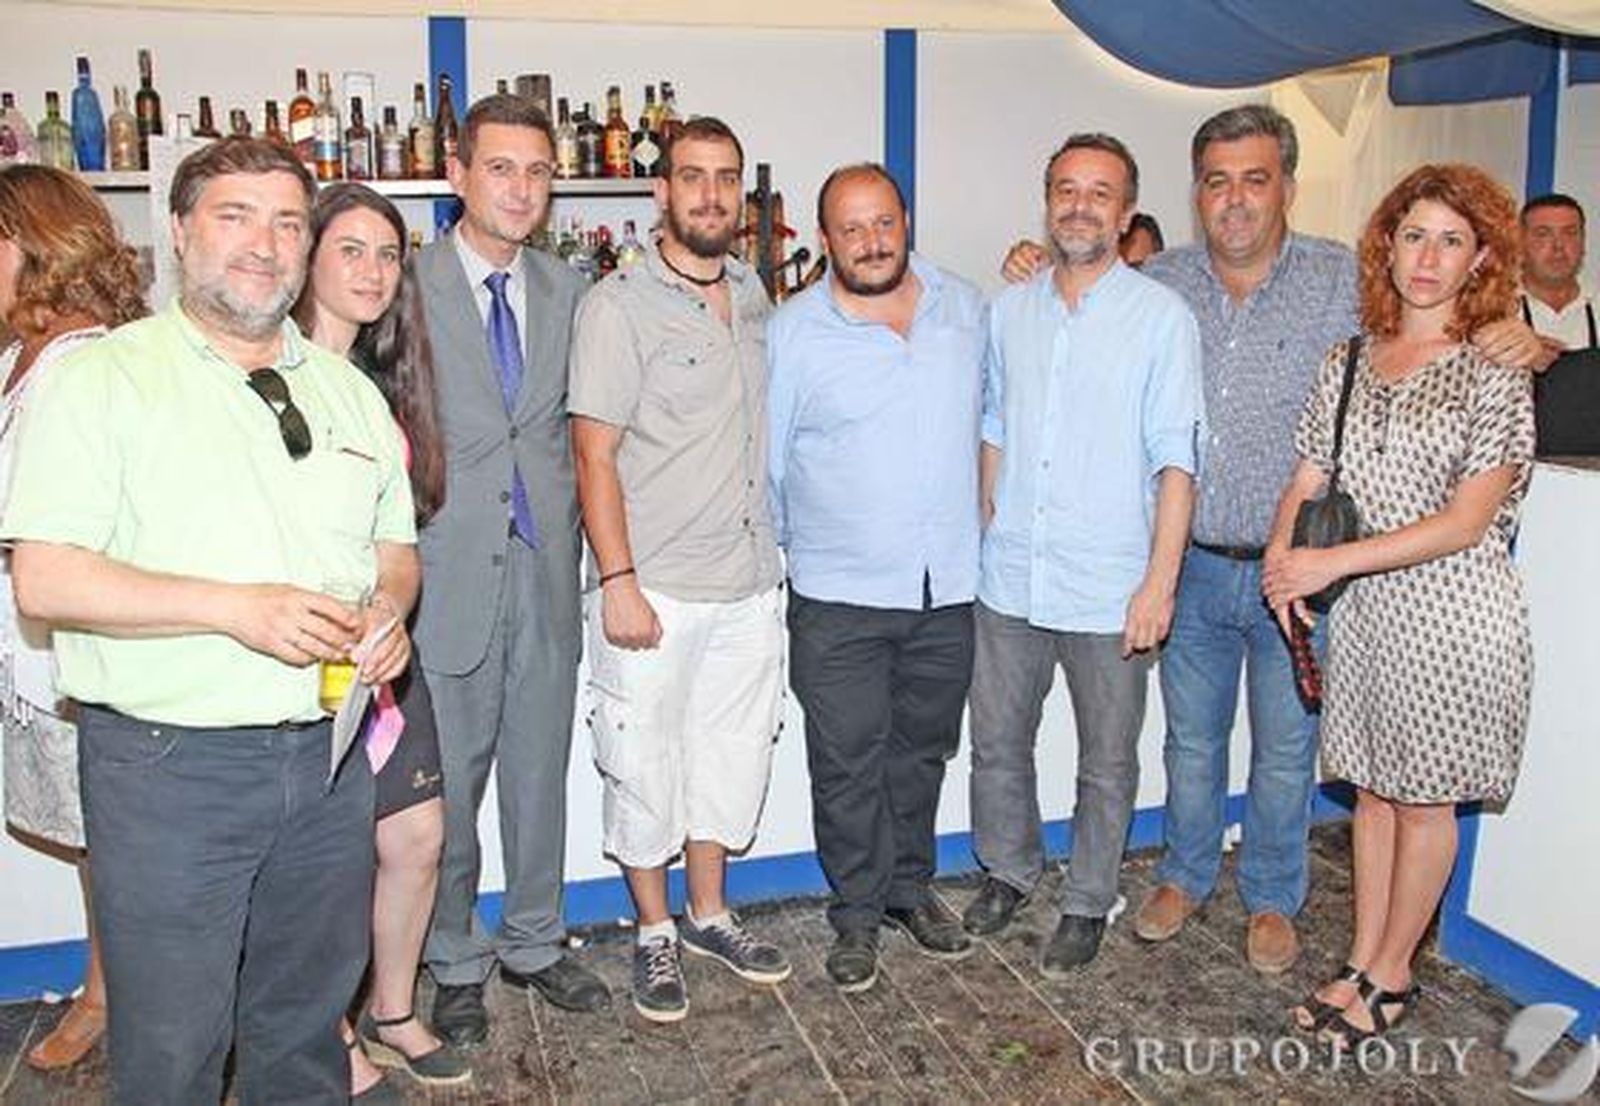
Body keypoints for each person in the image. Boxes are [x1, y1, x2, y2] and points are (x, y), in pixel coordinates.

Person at [999, 104, 1548, 974]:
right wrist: (1027, 261)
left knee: (1288, 750)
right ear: (1195, 195)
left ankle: (1271, 897)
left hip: (1302, 576)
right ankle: (1182, 875)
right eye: (1217, 181)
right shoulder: (1160, 280)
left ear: (1286, 186)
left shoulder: (1341, 279)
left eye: (1256, 179)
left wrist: (1519, 336)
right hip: (1189, 564)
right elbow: (1069, 288)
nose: (1236, 199)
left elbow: (1433, 330)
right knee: (1188, 742)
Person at [1, 136, 418, 1104]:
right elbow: (48, 579)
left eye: (284, 222)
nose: (263, 244)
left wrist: (389, 609)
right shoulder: (102, 379)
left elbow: (395, 548)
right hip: (167, 770)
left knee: (305, 1030)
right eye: (234, 216)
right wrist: (232, 610)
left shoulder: (347, 392)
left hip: (326, 759)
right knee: (174, 1049)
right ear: (181, 232)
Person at [1263, 162, 1532, 1048]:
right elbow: (1307, 476)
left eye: (1452, 240)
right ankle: (1358, 958)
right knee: (1372, 797)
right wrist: (1279, 559)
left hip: (1456, 619)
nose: (1428, 257)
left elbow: (1465, 521)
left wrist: (1326, 560)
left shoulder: (1494, 371)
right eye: (1414, 234)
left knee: (1424, 805)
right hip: (1370, 621)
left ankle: (1394, 973)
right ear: (1387, 246)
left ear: (1480, 257)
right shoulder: (1348, 360)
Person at [963, 133, 1201, 977]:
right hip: (1012, 575)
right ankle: (1009, 870)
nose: (1079, 206)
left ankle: (1089, 898)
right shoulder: (1009, 310)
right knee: (997, 740)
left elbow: (1178, 459)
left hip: (1111, 583)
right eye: (1066, 189)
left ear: (1126, 211)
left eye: (1099, 193)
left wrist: (1159, 584)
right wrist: (988, 524)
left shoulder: (1162, 319)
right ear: (1047, 201)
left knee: (1107, 760)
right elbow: (993, 427)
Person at [569, 116, 790, 1023]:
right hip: (651, 585)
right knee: (644, 767)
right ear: (660, 192)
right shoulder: (618, 306)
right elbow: (593, 452)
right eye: (692, 177)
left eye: (725, 177)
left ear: (741, 192)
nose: (709, 194)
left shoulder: (757, 293)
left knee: (728, 762)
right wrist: (617, 581)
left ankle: (709, 914)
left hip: (749, 580)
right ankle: (653, 933)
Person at [412, 93, 608, 1045]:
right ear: (458, 175)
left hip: (544, 573)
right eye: (500, 168)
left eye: (537, 171)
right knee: (446, 790)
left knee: (540, 773)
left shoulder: (573, 293)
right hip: (445, 579)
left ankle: (535, 941)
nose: (521, 188)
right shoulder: (403, 288)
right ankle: (451, 958)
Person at [768, 163, 985, 993]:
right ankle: (856, 915)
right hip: (838, 595)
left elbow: (991, 421)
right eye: (851, 229)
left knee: (921, 754)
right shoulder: (793, 331)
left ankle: (909, 891)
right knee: (847, 761)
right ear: (826, 240)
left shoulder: (965, 308)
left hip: (943, 590)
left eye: (883, 222)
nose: (871, 242)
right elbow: (770, 468)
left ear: (906, 220)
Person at [294, 182, 469, 1099]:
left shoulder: (385, 378)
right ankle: (329, 1028)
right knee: (324, 857)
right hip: (301, 655)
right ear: (308, 256)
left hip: (385, 654)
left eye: (387, 254)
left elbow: (404, 530)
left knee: (417, 835)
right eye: (350, 248)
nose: (370, 270)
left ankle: (393, 1009)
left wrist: (389, 617)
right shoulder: (266, 371)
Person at [0, 164, 145, 1073]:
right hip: (35, 646)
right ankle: (106, 989)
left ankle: (137, 1010)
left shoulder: (83, 362)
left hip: (76, 652)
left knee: (121, 840)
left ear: (35, 247)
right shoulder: (26, 354)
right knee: (98, 840)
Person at [1518, 193, 1593, 353]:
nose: (1558, 246)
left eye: (1569, 233)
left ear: (1583, 242)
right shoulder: (1492, 308)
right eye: (1543, 234)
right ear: (1520, 243)